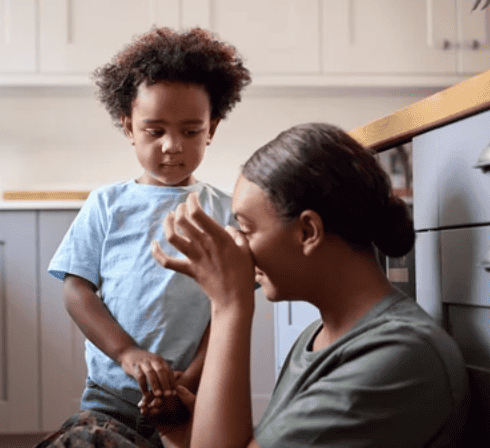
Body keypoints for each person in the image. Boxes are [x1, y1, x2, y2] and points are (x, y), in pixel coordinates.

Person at [150, 123, 470, 448]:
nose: (240, 247)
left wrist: (229, 304)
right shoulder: (316, 337)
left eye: (246, 229)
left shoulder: (402, 358)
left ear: (307, 232)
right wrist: (187, 433)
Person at [39, 27, 251, 448]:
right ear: (128, 126)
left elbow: (229, 305)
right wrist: (126, 353)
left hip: (193, 396)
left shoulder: (227, 211)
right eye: (155, 131)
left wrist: (188, 381)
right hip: (110, 397)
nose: (172, 146)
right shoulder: (106, 204)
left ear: (213, 127)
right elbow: (77, 290)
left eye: (191, 131)